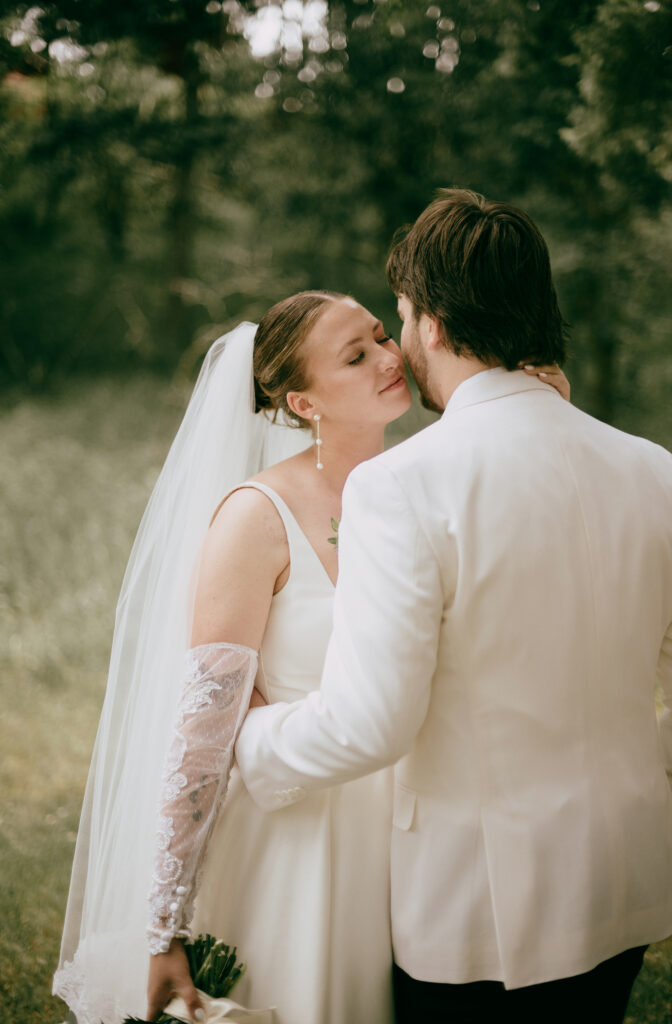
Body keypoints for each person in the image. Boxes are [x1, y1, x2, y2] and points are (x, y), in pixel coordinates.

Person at [53, 284, 569, 1024]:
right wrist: (160, 927)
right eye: (355, 356)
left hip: (418, 836)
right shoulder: (254, 518)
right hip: (300, 842)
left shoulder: (423, 484)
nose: (389, 359)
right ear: (303, 405)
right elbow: (201, 733)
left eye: (380, 338)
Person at [234, 189, 672, 1024]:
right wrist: (659, 811)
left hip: (478, 908)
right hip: (631, 879)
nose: (399, 340)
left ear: (432, 323)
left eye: (400, 315)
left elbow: (372, 723)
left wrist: (251, 741)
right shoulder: (656, 469)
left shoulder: (400, 486)